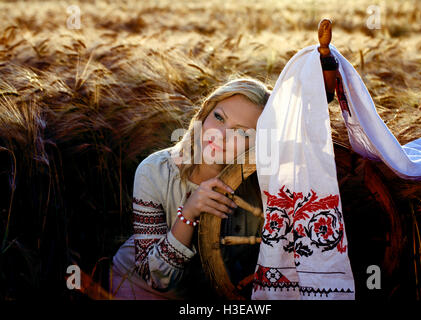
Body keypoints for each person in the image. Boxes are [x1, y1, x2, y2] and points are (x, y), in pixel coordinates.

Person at [110, 54, 339, 299]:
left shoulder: (262, 182)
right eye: (218, 117)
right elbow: (154, 277)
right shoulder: (155, 171)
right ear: (204, 114)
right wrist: (189, 213)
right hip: (137, 289)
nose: (220, 135)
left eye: (241, 132)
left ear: (260, 144)